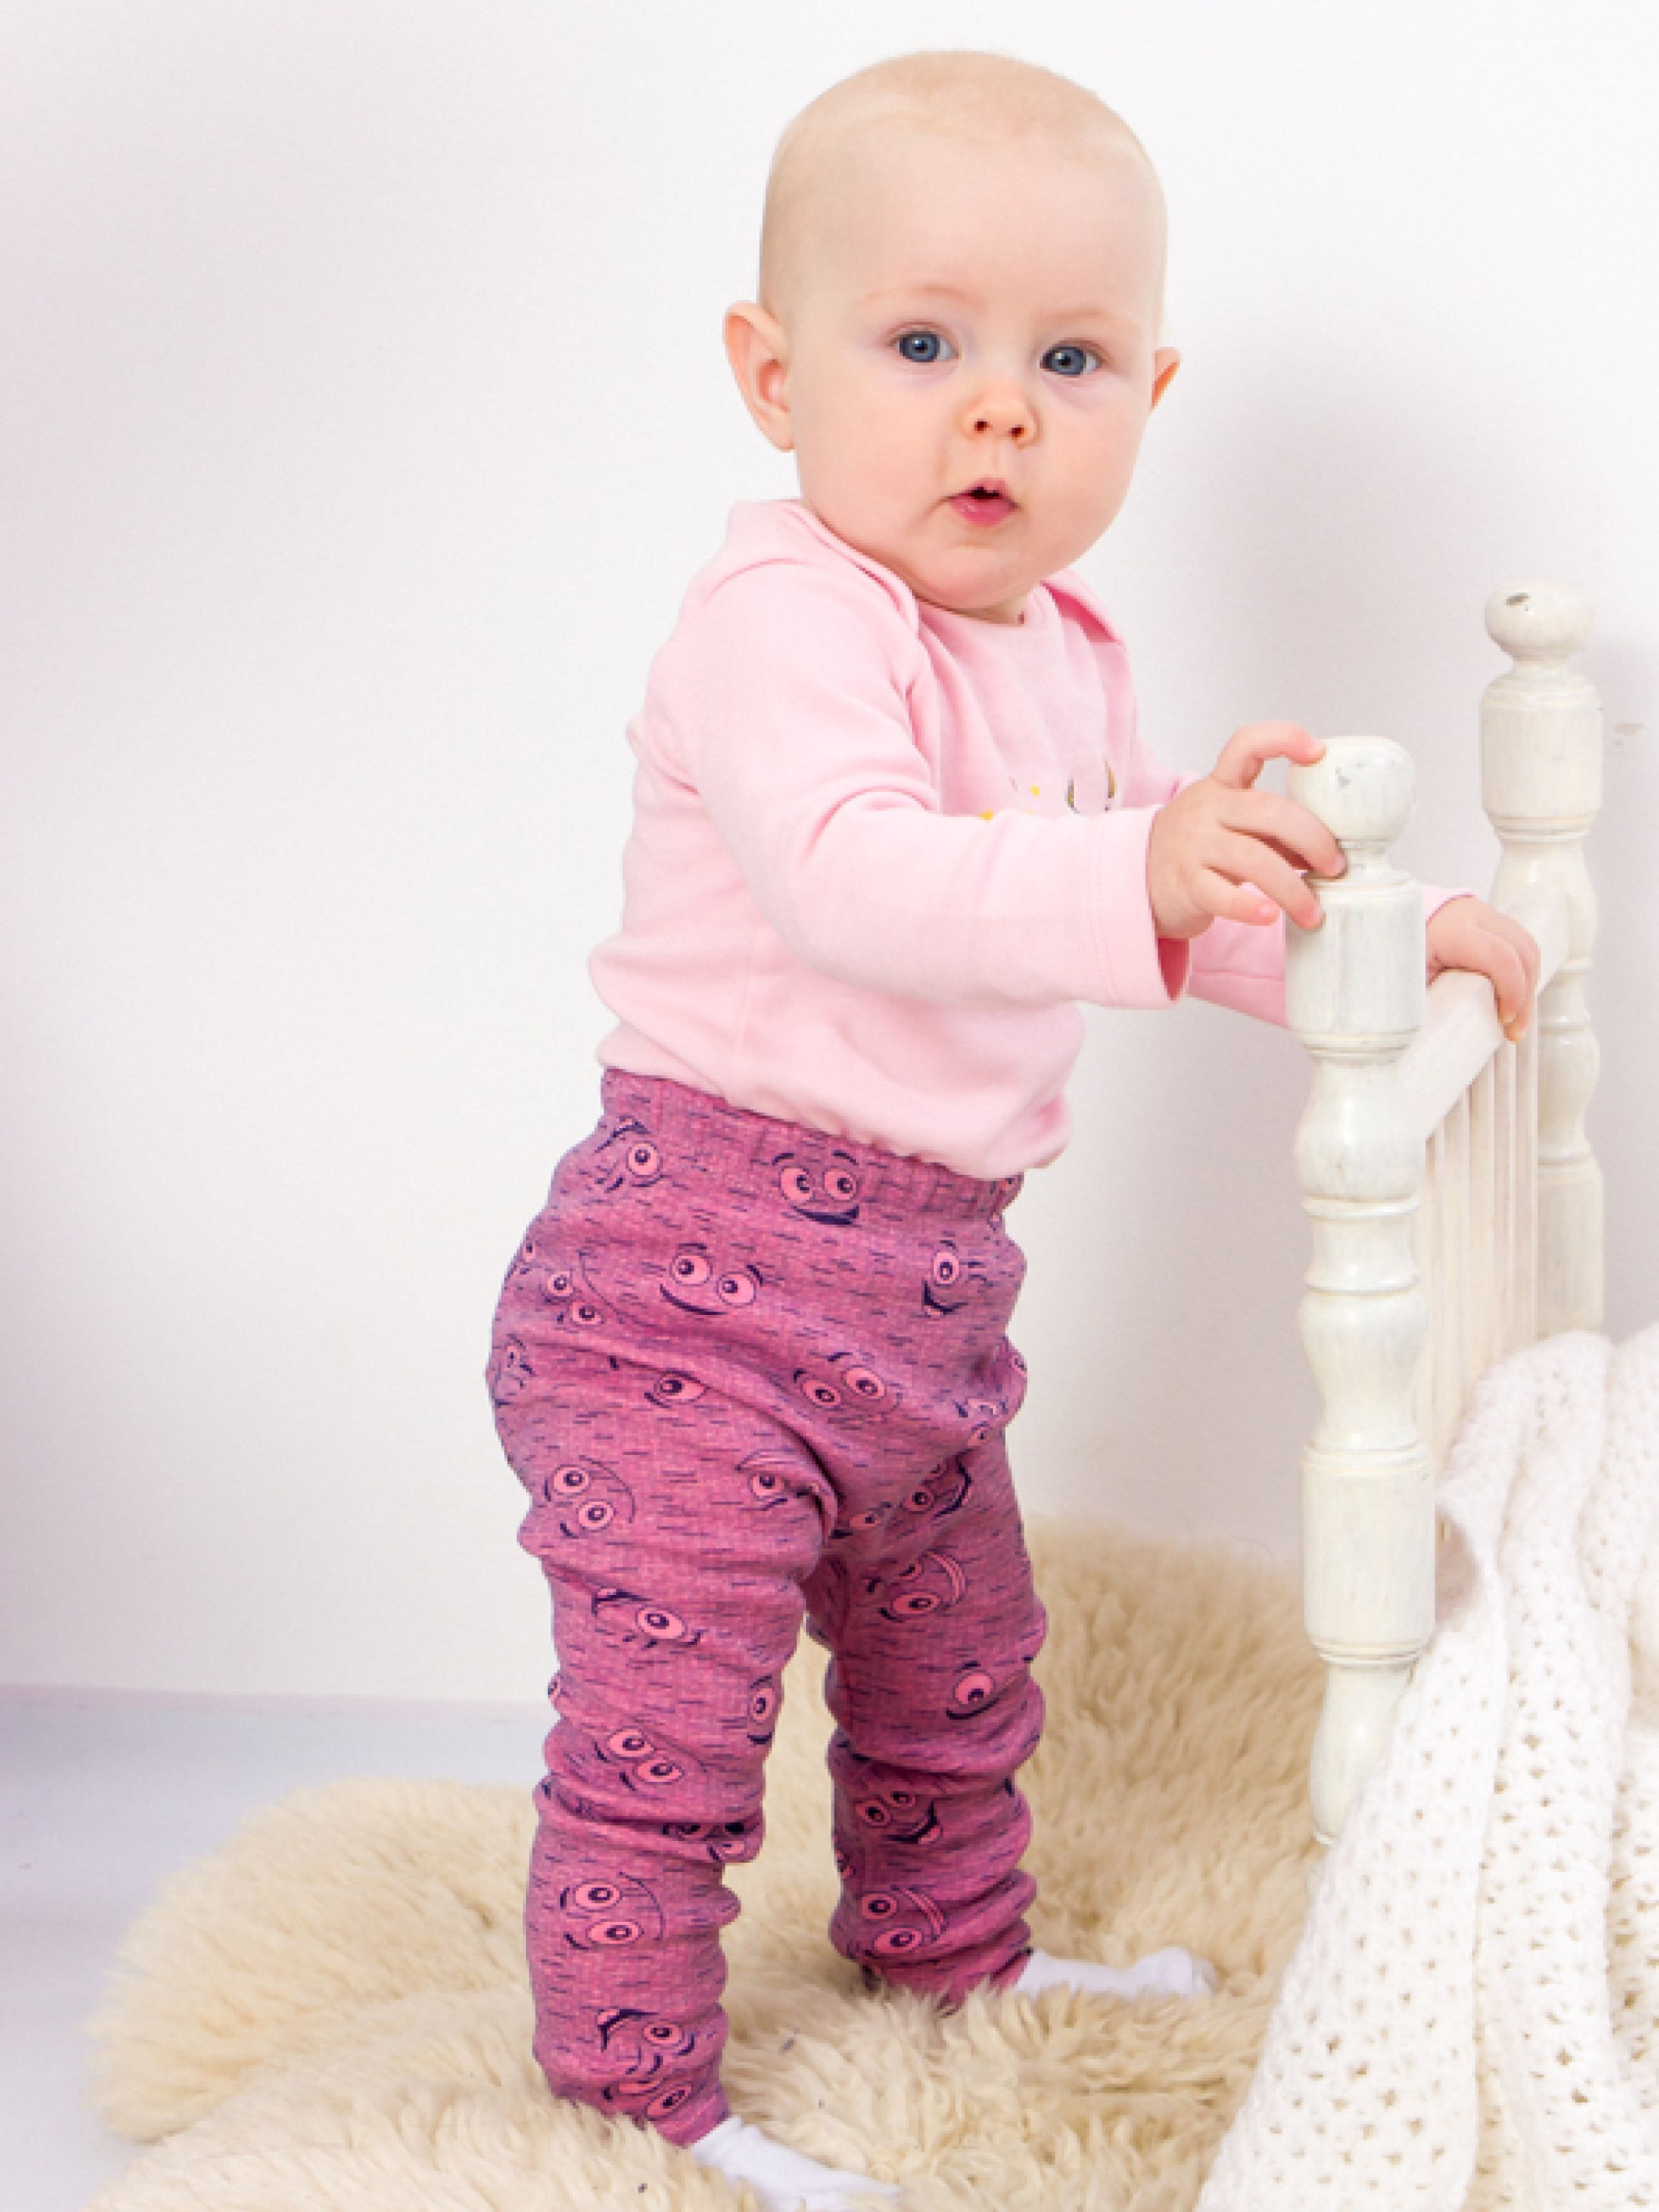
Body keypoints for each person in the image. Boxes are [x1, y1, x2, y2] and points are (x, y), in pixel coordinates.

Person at [485, 49, 1539, 2212]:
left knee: (958, 1676)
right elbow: (860, 879)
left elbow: (1153, 895)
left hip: (925, 1303)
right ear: (772, 375)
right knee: (670, 1737)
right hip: (686, 1301)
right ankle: (629, 2090)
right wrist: (1137, 865)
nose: (999, 411)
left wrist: (1383, 928)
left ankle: (950, 1962)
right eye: (922, 344)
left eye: (1068, 360)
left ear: (1149, 392)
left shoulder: (1059, 649)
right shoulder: (786, 618)